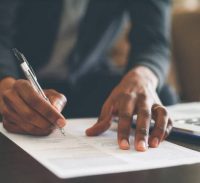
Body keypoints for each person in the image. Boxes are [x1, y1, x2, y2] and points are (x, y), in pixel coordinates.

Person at [0, 0, 173, 152]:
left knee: (161, 98)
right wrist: (6, 86)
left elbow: (153, 40)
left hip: (86, 78)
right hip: (15, 80)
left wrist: (143, 77)